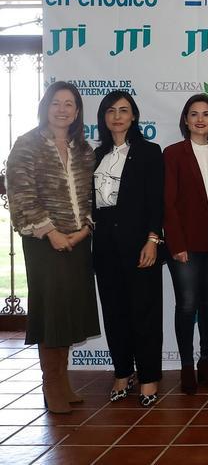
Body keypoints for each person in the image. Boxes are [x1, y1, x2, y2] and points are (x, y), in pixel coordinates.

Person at [7, 81, 99, 414]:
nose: (63, 109)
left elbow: (91, 195)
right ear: (46, 106)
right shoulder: (27, 144)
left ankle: (63, 380)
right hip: (44, 243)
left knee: (70, 310)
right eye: (57, 103)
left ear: (77, 111)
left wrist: (84, 229)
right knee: (52, 312)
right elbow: (21, 195)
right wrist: (50, 231)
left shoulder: (83, 149)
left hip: (77, 240)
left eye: (70, 104)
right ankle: (51, 382)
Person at [92, 91, 164, 407]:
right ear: (104, 117)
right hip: (105, 242)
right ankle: (123, 371)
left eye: (124, 110)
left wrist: (153, 239)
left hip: (139, 241)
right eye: (111, 111)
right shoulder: (95, 155)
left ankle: (149, 377)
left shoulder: (149, 152)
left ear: (134, 116)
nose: (117, 116)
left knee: (144, 312)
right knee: (115, 311)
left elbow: (156, 201)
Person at [164, 94, 208, 395]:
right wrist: (176, 243)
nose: (200, 119)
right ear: (186, 119)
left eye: (206, 114)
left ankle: (206, 363)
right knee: (187, 304)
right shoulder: (174, 153)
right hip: (185, 239)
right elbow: (168, 204)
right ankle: (187, 366)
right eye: (194, 114)